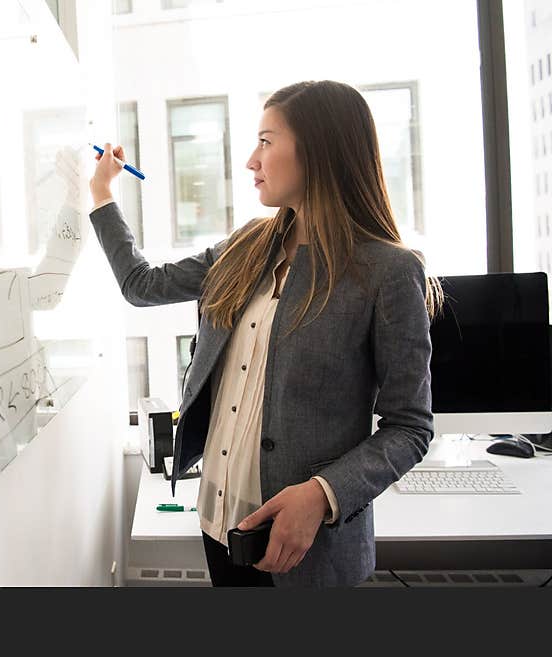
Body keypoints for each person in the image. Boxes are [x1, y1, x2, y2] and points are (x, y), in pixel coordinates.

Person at [88, 80, 442, 588]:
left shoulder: (388, 271)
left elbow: (409, 427)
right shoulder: (246, 246)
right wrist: (102, 194)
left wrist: (322, 494)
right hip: (218, 525)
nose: (251, 161)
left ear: (318, 151)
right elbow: (141, 285)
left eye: (266, 141)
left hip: (307, 550)